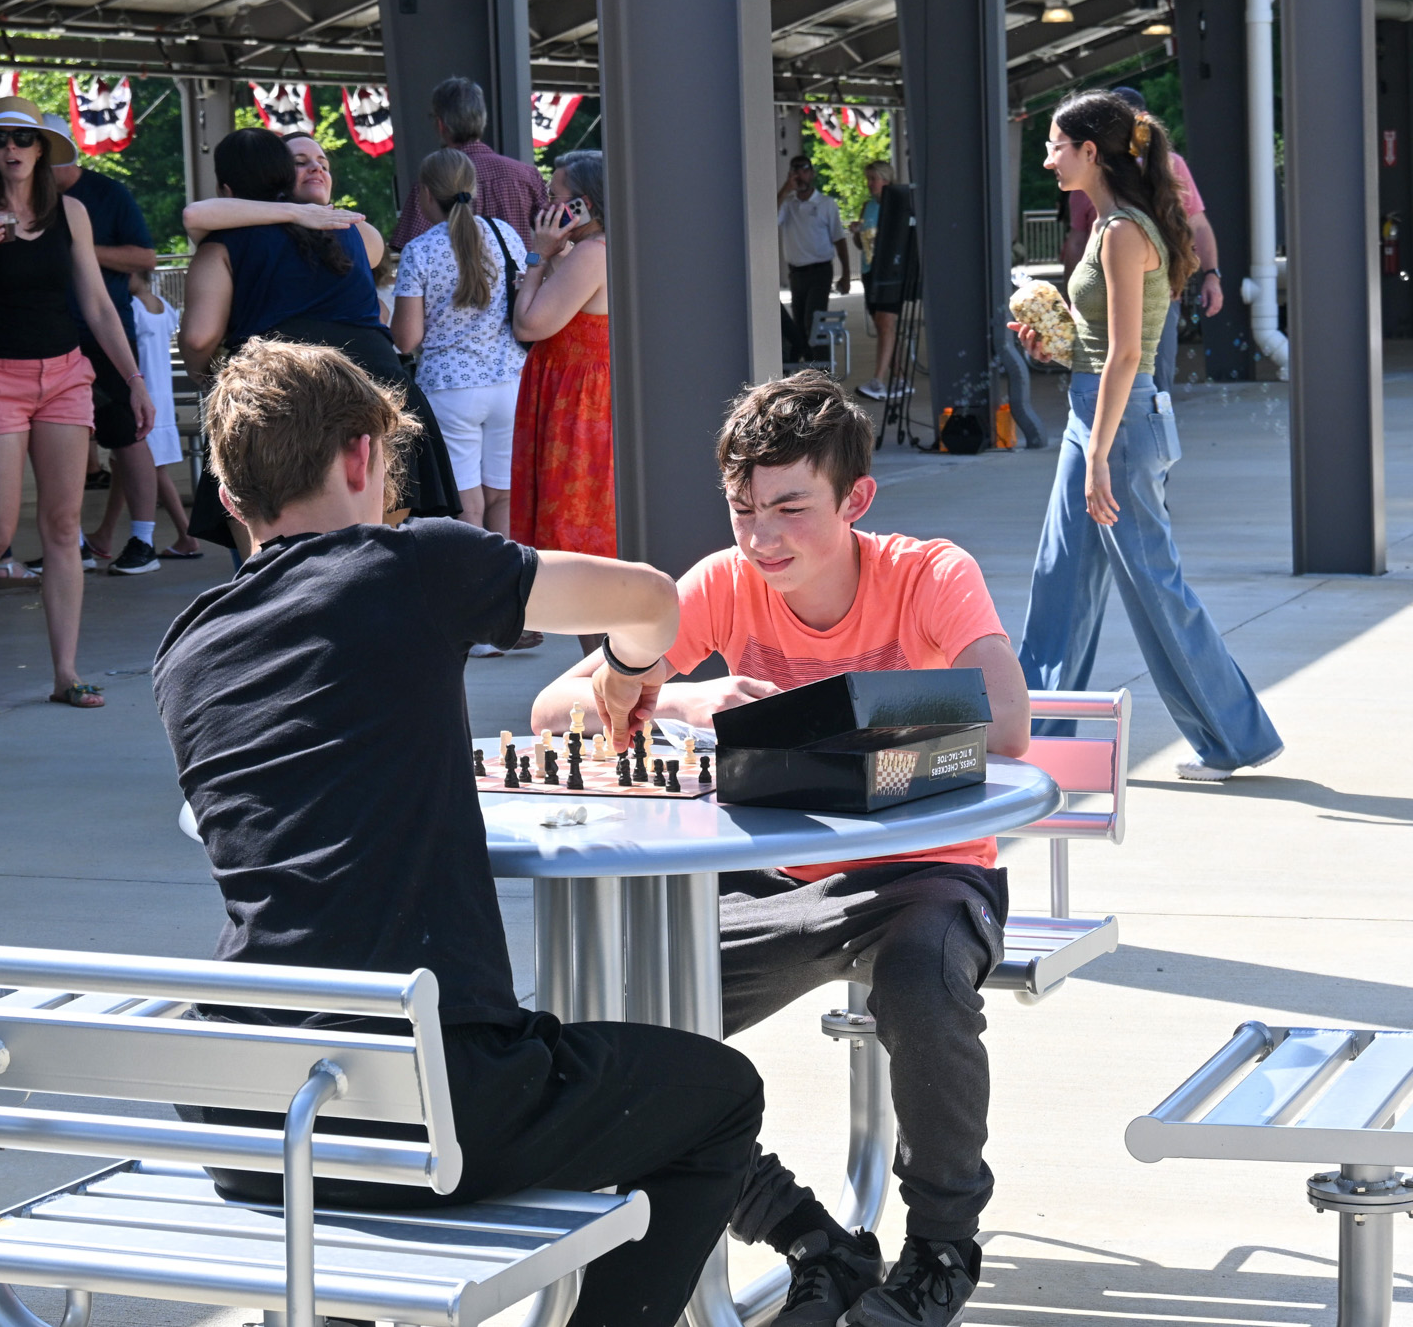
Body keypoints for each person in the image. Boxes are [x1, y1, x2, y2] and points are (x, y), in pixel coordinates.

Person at [154, 336, 765, 1327]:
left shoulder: (186, 649)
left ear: (229, 496)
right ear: (362, 456)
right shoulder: (410, 566)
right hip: (432, 1101)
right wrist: (625, 672)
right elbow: (652, 599)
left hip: (253, 1113)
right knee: (719, 1096)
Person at [530, 370, 1033, 1327]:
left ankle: (941, 1248)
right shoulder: (722, 583)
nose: (762, 537)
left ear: (856, 498)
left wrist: (830, 719)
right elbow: (555, 708)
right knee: (621, 1037)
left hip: (929, 871)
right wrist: (688, 697)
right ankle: (810, 1235)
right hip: (774, 881)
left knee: (922, 982)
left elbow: (1006, 719)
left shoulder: (930, 574)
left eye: (790, 508)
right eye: (743, 508)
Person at [1013, 90, 1282, 782]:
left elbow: (1129, 353)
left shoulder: (1123, 233)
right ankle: (1034, 739)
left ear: (1090, 152)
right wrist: (1054, 347)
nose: (1047, 160)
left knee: (1156, 589)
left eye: (1054, 146)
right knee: (1059, 584)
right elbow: (1100, 345)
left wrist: (1099, 452)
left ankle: (1235, 739)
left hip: (1120, 425)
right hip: (1095, 413)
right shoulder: (1110, 225)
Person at [0, 96, 155, 712]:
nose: (10, 149)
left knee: (64, 526)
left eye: (22, 138)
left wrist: (134, 379)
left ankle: (66, 672)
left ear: (42, 148)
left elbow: (98, 304)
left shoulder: (72, 212)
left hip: (65, 374)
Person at [179, 127, 460, 526]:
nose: (316, 169)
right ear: (281, 176)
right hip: (379, 384)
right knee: (384, 545)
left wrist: (204, 374)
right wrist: (300, 213)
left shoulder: (226, 243)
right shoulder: (352, 233)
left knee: (270, 546)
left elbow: (198, 336)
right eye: (300, 162)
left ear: (227, 187)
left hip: (279, 389)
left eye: (323, 163)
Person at [46, 118, 161, 577]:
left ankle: (145, 540)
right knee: (62, 442)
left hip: (103, 335)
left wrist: (81, 248)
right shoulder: (25, 202)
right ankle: (72, 542)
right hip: (50, 339)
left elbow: (146, 258)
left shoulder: (108, 194)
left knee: (127, 435)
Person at [390, 149, 526, 536]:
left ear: (425, 194)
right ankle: (506, 572)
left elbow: (407, 339)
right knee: (503, 498)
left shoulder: (419, 250)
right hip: (509, 384)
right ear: (473, 188)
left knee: (468, 505)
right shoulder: (505, 235)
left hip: (449, 391)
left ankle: (474, 574)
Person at [1059, 87, 1225, 393]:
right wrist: (1073, 299)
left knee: (1148, 386)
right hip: (1106, 296)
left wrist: (1212, 275)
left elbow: (1198, 225)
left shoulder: (1167, 166)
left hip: (1157, 293)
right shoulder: (1088, 174)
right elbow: (1077, 241)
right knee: (1107, 379)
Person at [509, 150, 611, 570]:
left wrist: (537, 256)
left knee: (571, 520)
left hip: (576, 404)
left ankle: (581, 609)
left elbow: (528, 325)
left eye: (555, 196)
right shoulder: (595, 249)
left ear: (583, 204)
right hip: (577, 395)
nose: (546, 206)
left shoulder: (592, 253)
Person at [88, 268, 203, 559]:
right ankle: (104, 534)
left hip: (141, 392)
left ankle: (186, 534)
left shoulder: (131, 309)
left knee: (151, 468)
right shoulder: (164, 307)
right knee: (124, 461)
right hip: (160, 393)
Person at [390, 75, 549, 251]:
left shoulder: (433, 179)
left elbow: (408, 247)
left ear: (440, 124)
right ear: (482, 119)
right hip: (521, 270)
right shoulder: (527, 175)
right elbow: (556, 235)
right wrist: (535, 261)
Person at [777, 154, 851, 364]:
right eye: (795, 171)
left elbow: (839, 239)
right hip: (796, 272)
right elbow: (768, 218)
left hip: (820, 271)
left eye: (804, 171)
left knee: (814, 321)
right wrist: (785, 189)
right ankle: (810, 367)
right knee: (799, 326)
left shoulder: (826, 204)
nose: (800, 176)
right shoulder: (787, 204)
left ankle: (823, 368)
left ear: (812, 174)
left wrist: (846, 274)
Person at [853, 160, 901, 400]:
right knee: (883, 326)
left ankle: (878, 380)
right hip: (870, 269)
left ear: (886, 179)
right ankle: (899, 376)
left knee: (885, 323)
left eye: (873, 179)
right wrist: (856, 232)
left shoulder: (898, 206)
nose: (869, 183)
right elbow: (859, 244)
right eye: (868, 179)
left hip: (890, 272)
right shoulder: (867, 206)